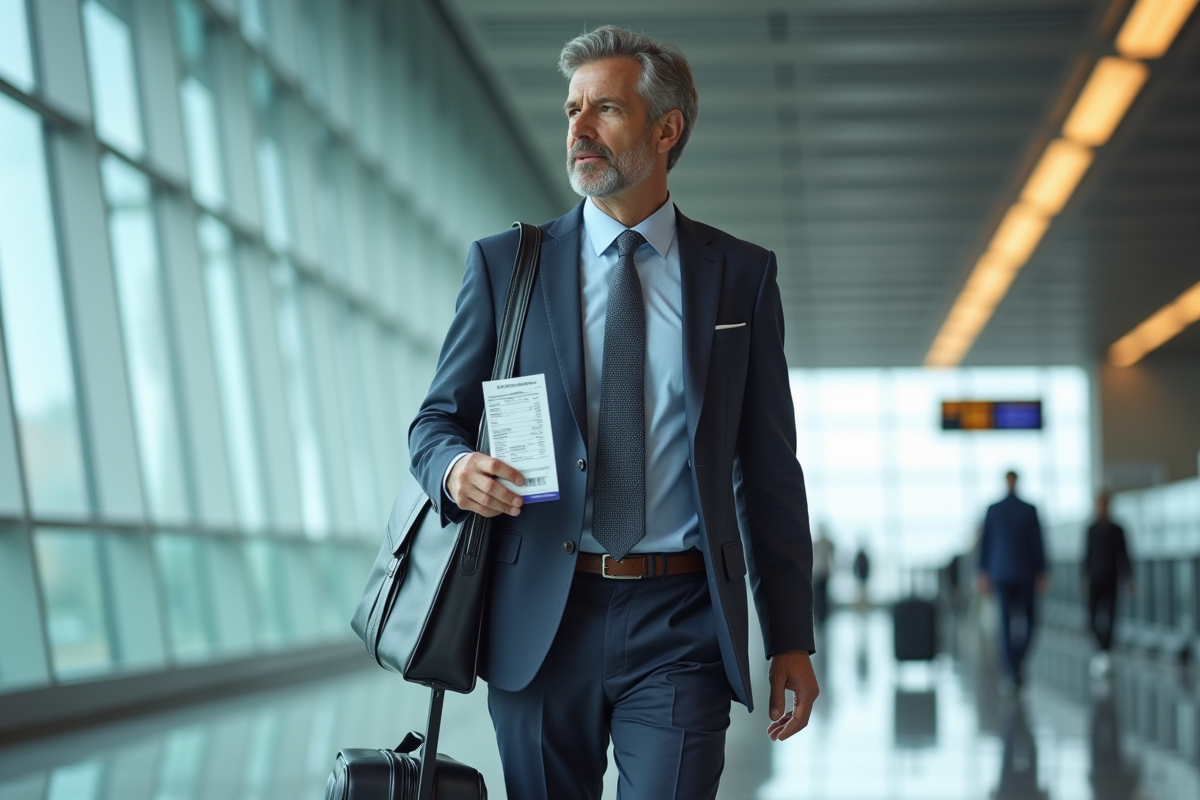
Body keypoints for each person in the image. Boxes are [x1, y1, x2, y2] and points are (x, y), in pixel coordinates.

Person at [408, 26, 818, 800]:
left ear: (667, 129)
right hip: (538, 617)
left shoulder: (740, 278)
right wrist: (457, 469)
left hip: (682, 621)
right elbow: (434, 423)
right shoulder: (507, 266)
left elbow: (767, 470)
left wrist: (791, 636)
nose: (579, 130)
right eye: (571, 110)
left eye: (606, 109)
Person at [977, 470, 1047, 689]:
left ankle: (1012, 668)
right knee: (1027, 621)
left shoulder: (996, 510)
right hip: (1022, 573)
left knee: (1008, 624)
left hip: (1005, 573)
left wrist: (983, 571)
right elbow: (1037, 543)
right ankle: (1016, 665)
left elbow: (985, 543)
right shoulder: (1026, 509)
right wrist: (1042, 570)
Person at [1081, 490, 1132, 675]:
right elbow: (1086, 555)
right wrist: (1084, 577)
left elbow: (1125, 555)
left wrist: (1129, 577)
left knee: (1111, 617)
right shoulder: (1091, 529)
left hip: (1112, 579)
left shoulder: (1118, 530)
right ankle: (1102, 649)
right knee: (1091, 619)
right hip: (1094, 579)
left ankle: (1106, 652)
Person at [812, 527, 835, 625]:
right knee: (818, 596)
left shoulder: (828, 544)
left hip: (824, 573)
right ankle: (819, 615)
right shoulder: (816, 544)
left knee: (823, 596)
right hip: (818, 573)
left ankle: (823, 615)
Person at [852, 543, 871, 608]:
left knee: (863, 591)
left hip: (863, 575)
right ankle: (859, 605)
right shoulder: (859, 556)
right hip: (860, 575)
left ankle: (864, 605)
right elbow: (855, 566)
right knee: (859, 591)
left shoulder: (864, 556)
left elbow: (867, 567)